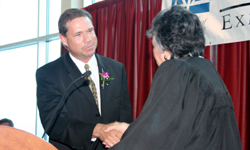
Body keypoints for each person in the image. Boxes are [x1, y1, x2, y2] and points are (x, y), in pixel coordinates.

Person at [104, 5, 242, 150]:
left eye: (153, 46)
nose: (153, 52)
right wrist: (130, 130)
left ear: (166, 51)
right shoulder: (206, 70)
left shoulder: (177, 69)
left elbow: (152, 140)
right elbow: (177, 128)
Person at [36, 8, 133, 150]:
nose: (88, 39)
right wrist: (97, 130)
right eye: (78, 34)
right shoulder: (49, 74)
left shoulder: (116, 69)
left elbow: (125, 116)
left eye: (90, 30)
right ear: (63, 39)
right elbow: (55, 123)